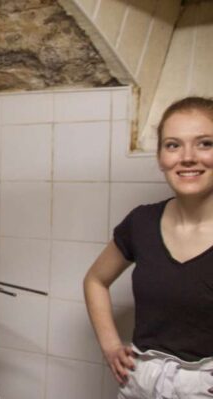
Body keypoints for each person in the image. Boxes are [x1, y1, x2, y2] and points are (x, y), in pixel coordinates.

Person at [84, 96, 213, 398]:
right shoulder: (141, 222)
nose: (188, 157)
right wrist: (111, 345)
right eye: (173, 145)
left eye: (205, 143)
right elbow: (95, 280)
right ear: (160, 158)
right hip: (141, 382)